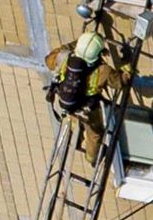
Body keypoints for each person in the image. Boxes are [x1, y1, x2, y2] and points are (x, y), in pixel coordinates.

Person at [45, 32, 130, 165]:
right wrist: (127, 65)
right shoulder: (103, 70)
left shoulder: (63, 56)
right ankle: (92, 158)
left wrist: (73, 46)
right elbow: (120, 82)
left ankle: (74, 141)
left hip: (68, 103)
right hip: (89, 110)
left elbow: (49, 61)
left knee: (74, 123)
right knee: (95, 135)